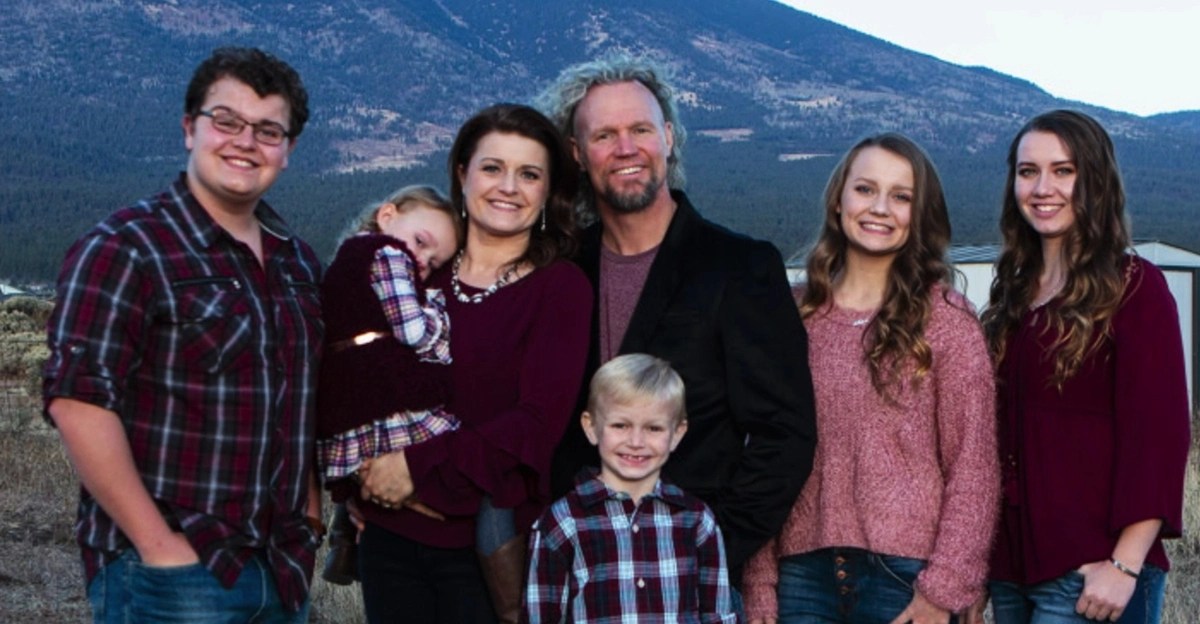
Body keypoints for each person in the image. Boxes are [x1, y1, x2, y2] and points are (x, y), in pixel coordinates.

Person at [42, 47, 322, 622]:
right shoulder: (126, 247)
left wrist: (311, 513)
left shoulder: (298, 263)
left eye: (269, 130)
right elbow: (78, 402)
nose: (246, 141)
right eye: (227, 121)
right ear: (189, 128)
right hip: (172, 575)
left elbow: (302, 398)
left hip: (281, 567)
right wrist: (157, 545)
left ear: (288, 150)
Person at [537, 53, 819, 591]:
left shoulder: (740, 267)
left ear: (667, 136)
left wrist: (709, 549)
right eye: (604, 135)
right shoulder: (559, 272)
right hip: (579, 575)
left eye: (640, 129)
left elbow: (785, 434)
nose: (625, 148)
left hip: (685, 579)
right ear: (577, 153)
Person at [741, 133, 999, 624]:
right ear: (839, 200)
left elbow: (973, 467)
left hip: (906, 579)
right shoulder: (791, 318)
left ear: (917, 215)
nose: (880, 207)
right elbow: (760, 454)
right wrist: (757, 581)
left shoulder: (947, 322)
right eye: (865, 189)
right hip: (799, 580)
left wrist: (943, 589)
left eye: (901, 197)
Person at [351, 104, 593, 624]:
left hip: (487, 547)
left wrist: (412, 469)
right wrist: (356, 479)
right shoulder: (418, 270)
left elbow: (535, 425)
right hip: (387, 538)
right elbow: (354, 375)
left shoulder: (560, 289)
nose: (508, 186)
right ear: (462, 174)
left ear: (548, 192)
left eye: (528, 174)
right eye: (491, 168)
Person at [980, 110, 1191, 624]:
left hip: (1094, 571)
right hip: (1012, 572)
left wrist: (1125, 563)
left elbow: (1159, 435)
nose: (1042, 187)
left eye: (1063, 170)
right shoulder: (1012, 295)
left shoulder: (1134, 287)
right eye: (1028, 171)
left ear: (1094, 181)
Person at [314, 185, 462, 585]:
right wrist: (445, 325)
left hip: (349, 405)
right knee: (462, 450)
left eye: (434, 262)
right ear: (387, 216)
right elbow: (414, 330)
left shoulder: (350, 259)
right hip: (382, 400)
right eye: (420, 242)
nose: (422, 262)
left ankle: (348, 539)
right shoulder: (388, 254)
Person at [525, 353, 736, 622]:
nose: (636, 441)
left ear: (677, 434)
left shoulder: (697, 521)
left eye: (653, 428)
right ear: (591, 427)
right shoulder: (561, 523)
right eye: (620, 425)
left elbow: (718, 616)